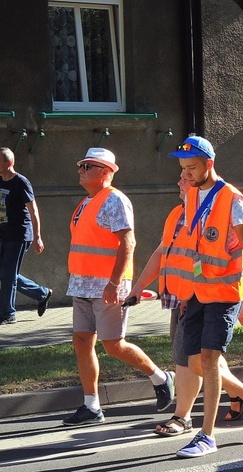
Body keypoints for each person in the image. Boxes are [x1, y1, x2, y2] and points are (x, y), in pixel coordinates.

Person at [124, 176, 243, 438]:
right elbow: (162, 252)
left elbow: (234, 259)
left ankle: (184, 417)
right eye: (180, 175)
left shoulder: (217, 211)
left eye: (187, 176)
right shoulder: (178, 214)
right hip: (182, 296)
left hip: (204, 298)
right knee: (202, 359)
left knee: (189, 360)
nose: (179, 181)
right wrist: (137, 287)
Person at [167, 135, 243, 458]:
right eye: (183, 168)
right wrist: (186, 291)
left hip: (225, 294)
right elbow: (192, 247)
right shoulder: (193, 196)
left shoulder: (232, 199)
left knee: (210, 359)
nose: (186, 175)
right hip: (198, 291)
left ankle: (206, 435)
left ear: (209, 164)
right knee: (196, 360)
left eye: (192, 168)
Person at [63, 148, 175, 426]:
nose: (80, 169)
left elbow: (128, 243)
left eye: (87, 166)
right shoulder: (85, 203)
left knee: (113, 345)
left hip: (107, 286)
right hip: (81, 285)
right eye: (81, 164)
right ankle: (91, 406)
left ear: (105, 172)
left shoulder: (115, 200)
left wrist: (115, 283)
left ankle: (161, 378)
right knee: (81, 342)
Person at [0, 148, 53, 325]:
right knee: (7, 273)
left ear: (8, 163)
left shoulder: (21, 182)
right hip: (4, 234)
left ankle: (8, 313)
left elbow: (33, 210)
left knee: (8, 274)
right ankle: (41, 293)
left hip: (20, 234)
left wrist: (37, 236)